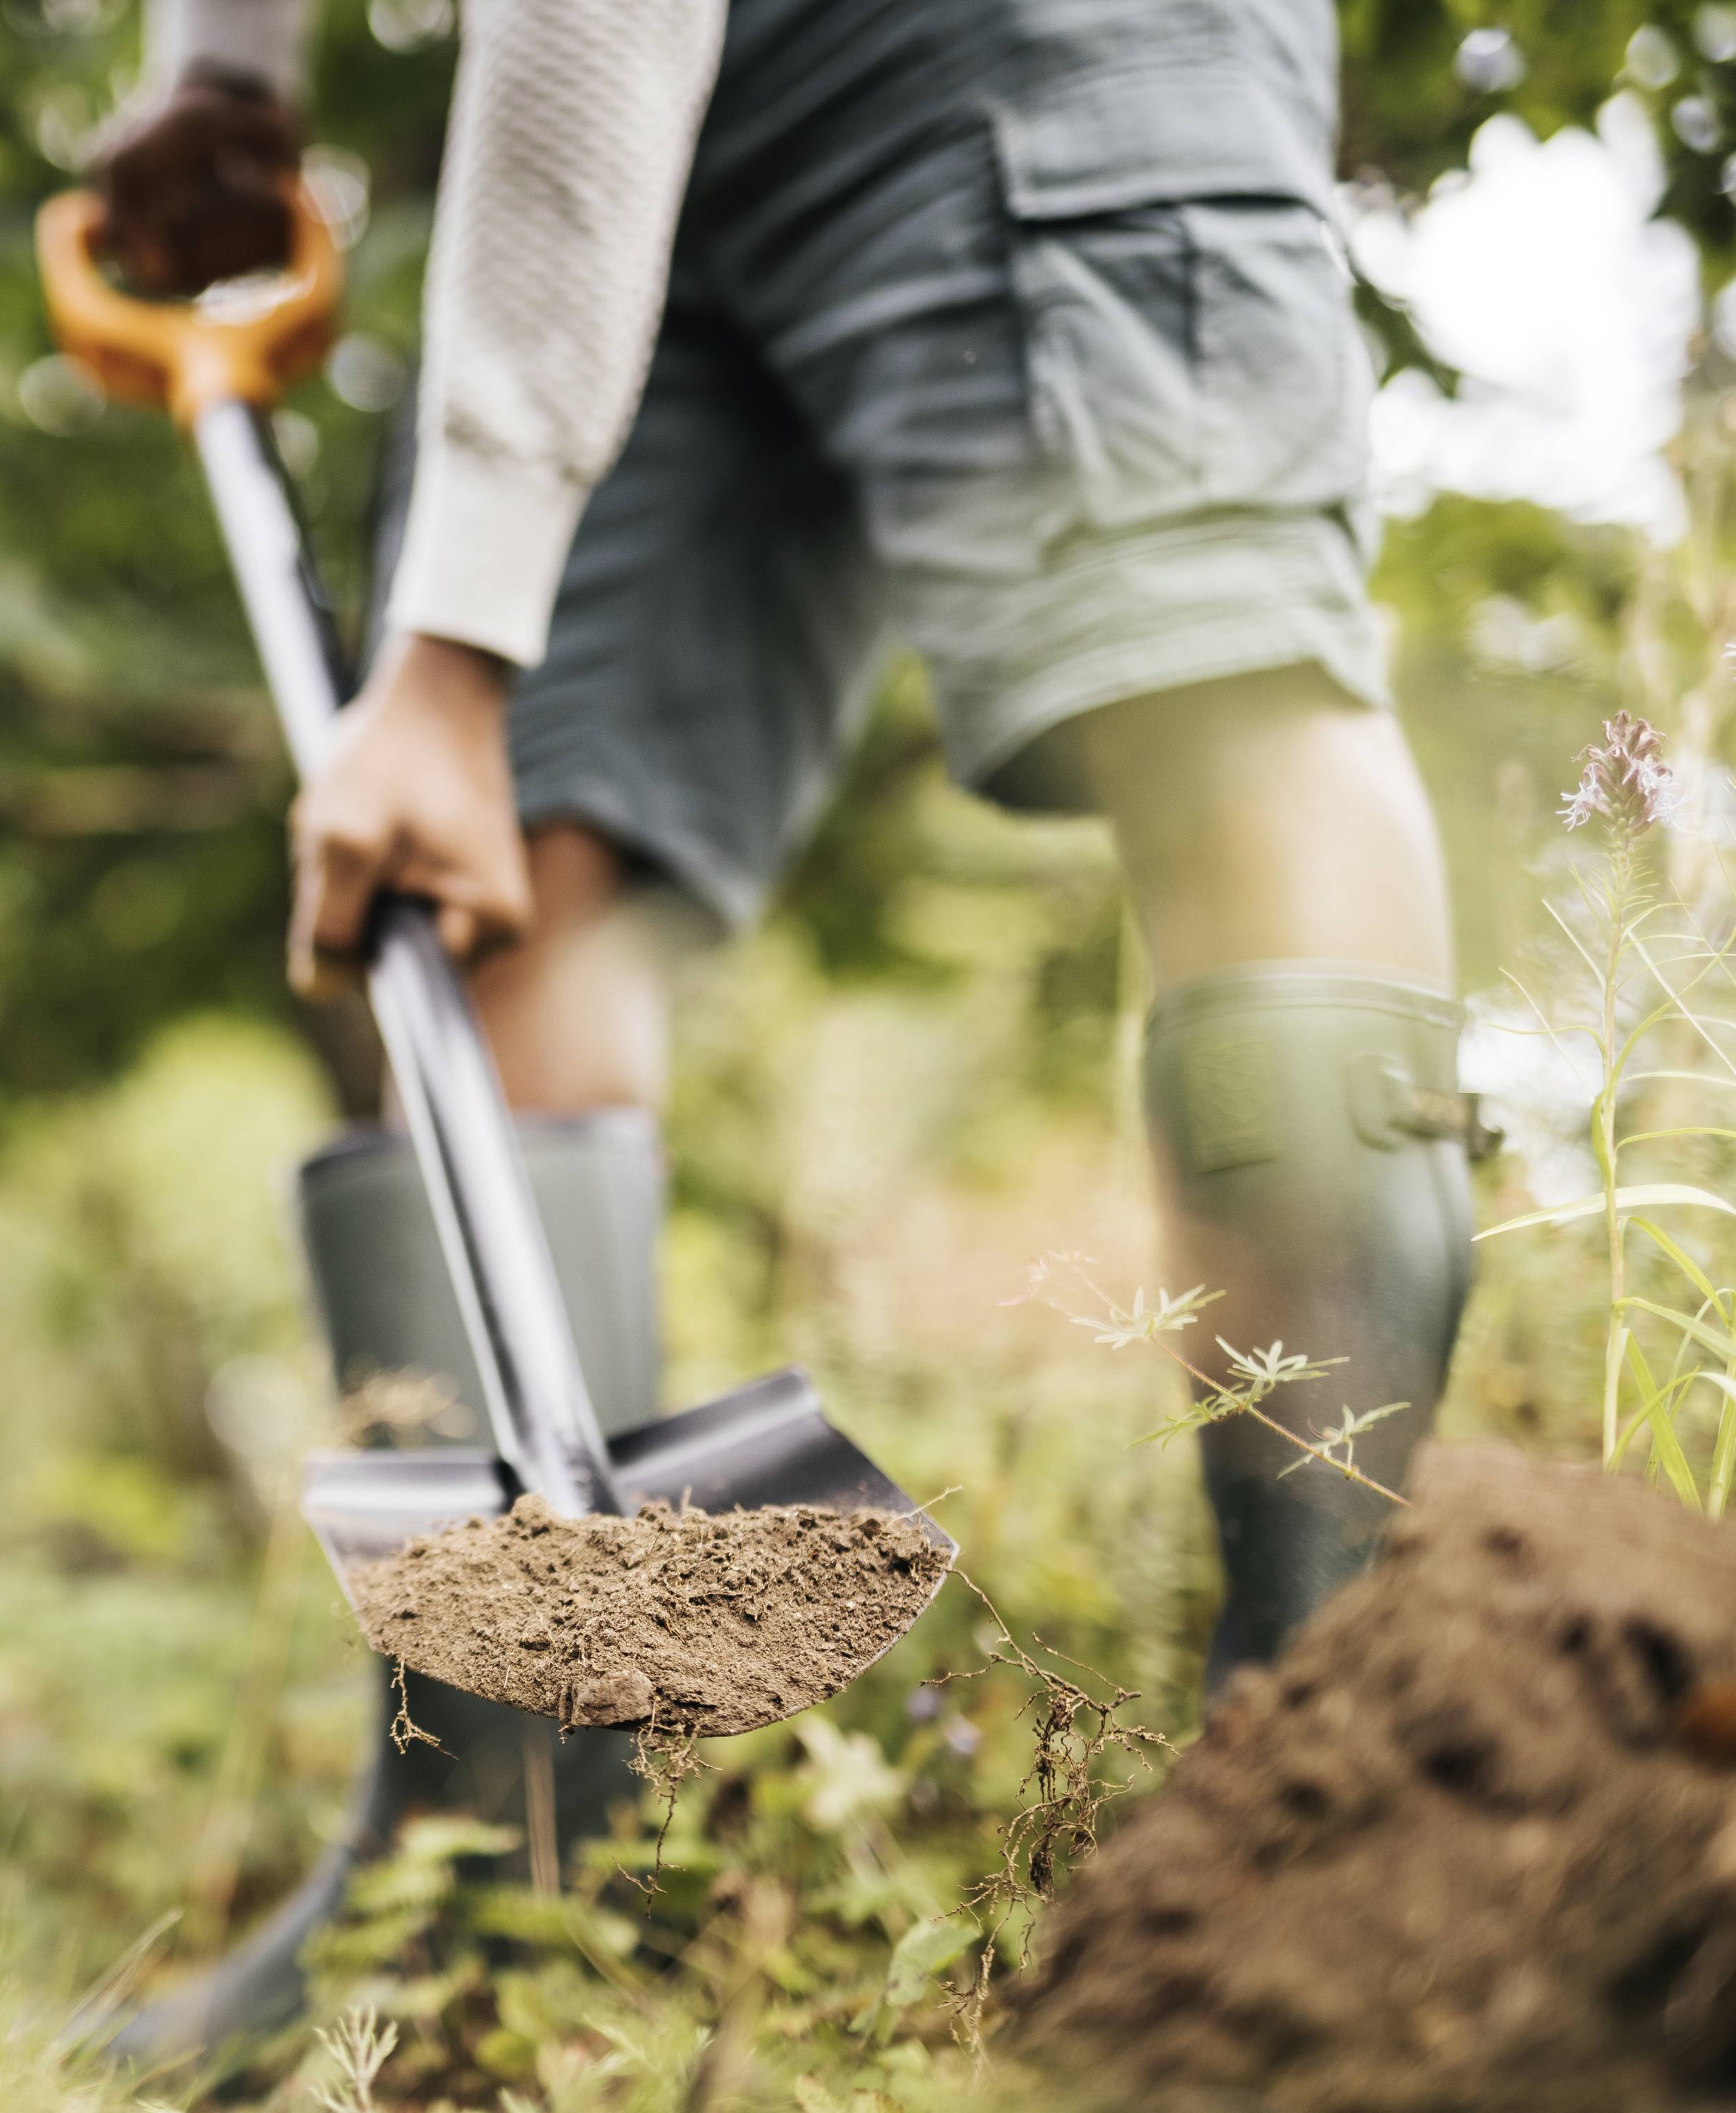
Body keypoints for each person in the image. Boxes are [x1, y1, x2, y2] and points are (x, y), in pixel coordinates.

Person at [89, 0, 1480, 2071]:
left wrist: (453, 645)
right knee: (501, 868)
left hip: (1032, 44)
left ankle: (1337, 1797)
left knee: (1204, 675)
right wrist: (225, 68)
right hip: (660, 135)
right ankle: (506, 1877)